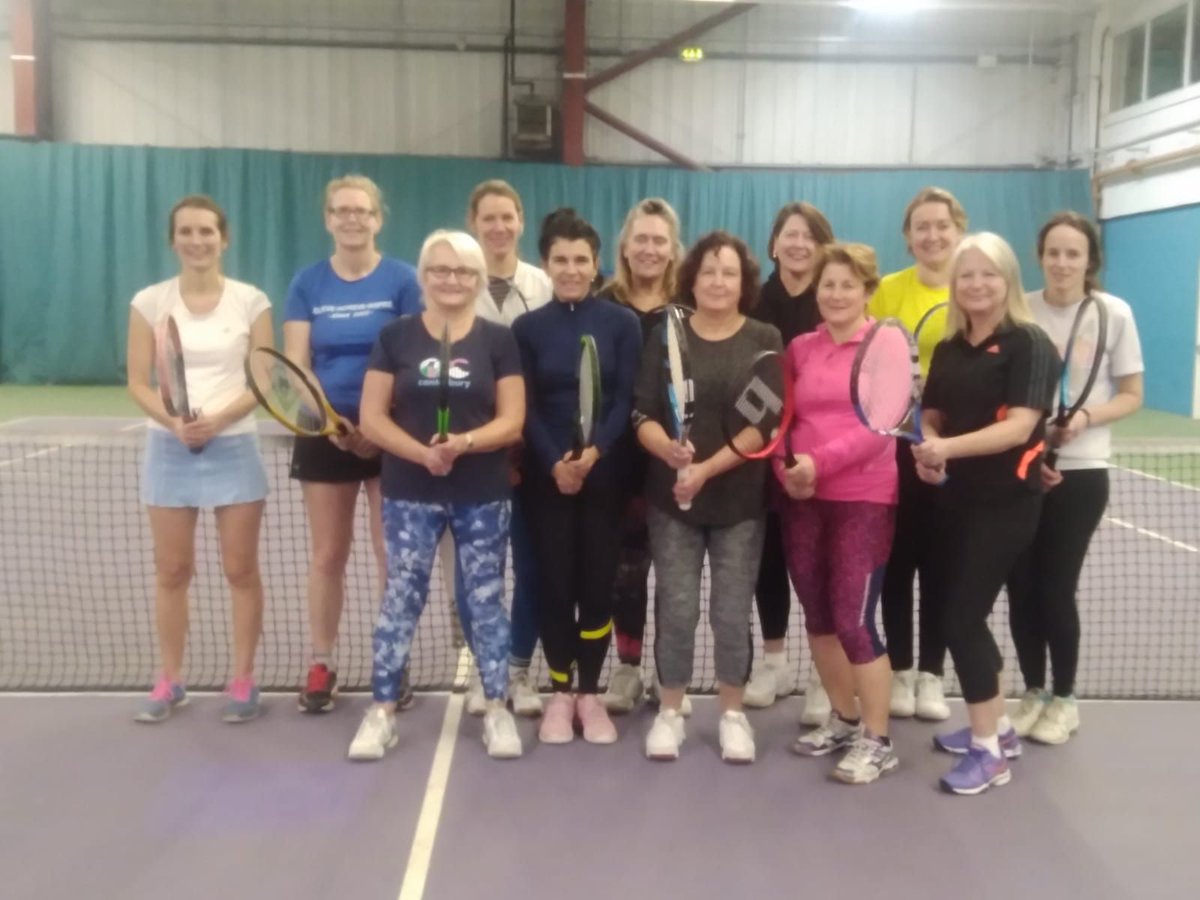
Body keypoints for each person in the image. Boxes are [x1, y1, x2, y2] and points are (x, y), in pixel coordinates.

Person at [348, 230, 525, 761]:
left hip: (482, 492)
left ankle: (497, 708)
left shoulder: (498, 340)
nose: (452, 280)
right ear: (424, 277)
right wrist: (421, 453)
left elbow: (512, 419)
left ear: (478, 279)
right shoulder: (396, 337)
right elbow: (372, 417)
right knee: (401, 598)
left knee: (486, 601)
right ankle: (380, 711)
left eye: (464, 271)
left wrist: (465, 443)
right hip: (409, 491)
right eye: (441, 270)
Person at [915, 232, 1058, 795]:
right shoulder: (950, 346)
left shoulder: (1029, 343)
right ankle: (998, 727)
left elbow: (1021, 426)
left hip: (1006, 504)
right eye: (966, 275)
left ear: (1008, 282)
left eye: (988, 274)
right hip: (952, 499)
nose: (976, 284)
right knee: (958, 615)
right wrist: (928, 447)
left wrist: (945, 449)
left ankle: (987, 755)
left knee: (960, 620)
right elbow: (932, 412)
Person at [634, 231, 782, 763]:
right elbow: (643, 412)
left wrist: (706, 469)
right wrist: (669, 453)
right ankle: (670, 712)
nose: (718, 282)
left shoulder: (764, 338)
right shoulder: (666, 335)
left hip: (739, 501)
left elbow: (762, 422)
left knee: (730, 609)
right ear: (692, 279)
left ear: (744, 283)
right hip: (672, 499)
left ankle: (732, 715)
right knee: (675, 608)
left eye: (729, 273)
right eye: (709, 272)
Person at [127, 194, 273, 724]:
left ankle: (242, 680)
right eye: (186, 232)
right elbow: (137, 381)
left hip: (234, 445)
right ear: (174, 240)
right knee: (172, 570)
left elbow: (263, 380)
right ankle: (169, 681)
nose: (197, 240)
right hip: (169, 449)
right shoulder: (150, 302)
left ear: (224, 238)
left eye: (206, 231)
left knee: (240, 569)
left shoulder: (251, 301)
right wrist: (173, 422)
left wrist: (217, 420)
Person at [285, 175, 422, 714]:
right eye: (341, 210)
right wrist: (331, 422)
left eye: (361, 210)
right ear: (327, 219)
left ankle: (392, 659)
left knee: (391, 553)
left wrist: (377, 421)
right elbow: (297, 363)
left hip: (390, 427)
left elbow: (413, 356)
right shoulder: (307, 283)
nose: (351, 219)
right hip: (325, 431)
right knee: (327, 554)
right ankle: (322, 661)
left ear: (377, 218)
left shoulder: (403, 279)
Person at [1006, 212, 1143, 745]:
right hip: (1022, 468)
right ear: (1040, 256)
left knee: (1055, 587)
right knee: (1019, 588)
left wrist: (1085, 418)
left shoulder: (1114, 313)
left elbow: (1131, 394)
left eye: (1073, 254)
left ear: (1090, 261)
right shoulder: (1023, 311)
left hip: (1082, 474)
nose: (1062, 263)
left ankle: (1065, 699)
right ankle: (1033, 692)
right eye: (1053, 253)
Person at [512, 209, 641, 745]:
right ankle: (560, 694)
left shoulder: (622, 324)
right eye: (560, 259)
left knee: (596, 587)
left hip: (606, 477)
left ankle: (591, 693)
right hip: (548, 481)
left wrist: (593, 454)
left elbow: (626, 398)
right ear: (546, 265)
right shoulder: (526, 329)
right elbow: (527, 405)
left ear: (596, 266)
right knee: (554, 585)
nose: (570, 268)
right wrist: (554, 463)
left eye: (580, 260)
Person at [780, 243, 899, 784]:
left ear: (867, 290)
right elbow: (781, 417)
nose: (836, 294)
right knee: (820, 616)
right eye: (828, 284)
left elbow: (880, 428)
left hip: (864, 499)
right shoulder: (801, 349)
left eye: (848, 284)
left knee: (854, 619)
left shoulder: (887, 345)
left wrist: (816, 464)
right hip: (802, 499)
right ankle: (846, 719)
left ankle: (878, 740)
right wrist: (784, 469)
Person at [454, 179, 553, 718]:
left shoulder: (542, 284)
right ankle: (485, 666)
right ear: (474, 222)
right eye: (487, 217)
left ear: (520, 221)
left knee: (531, 566)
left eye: (507, 217)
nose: (498, 227)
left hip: (535, 451)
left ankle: (517, 667)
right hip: (473, 456)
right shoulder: (454, 285)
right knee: (472, 572)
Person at [869, 186, 967, 721]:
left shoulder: (973, 288)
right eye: (921, 226)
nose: (932, 235)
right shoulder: (887, 292)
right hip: (897, 451)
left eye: (941, 225)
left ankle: (933, 674)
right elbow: (873, 366)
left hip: (956, 452)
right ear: (908, 238)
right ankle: (901, 672)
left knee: (942, 567)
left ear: (958, 230)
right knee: (897, 564)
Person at [744, 201, 836, 723]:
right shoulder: (753, 302)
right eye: (789, 235)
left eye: (809, 236)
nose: (799, 244)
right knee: (769, 560)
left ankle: (825, 677)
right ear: (774, 244)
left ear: (822, 247)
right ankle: (775, 663)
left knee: (820, 565)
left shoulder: (835, 304)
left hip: (820, 457)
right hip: (761, 457)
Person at [596, 197, 687, 716]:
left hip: (674, 463)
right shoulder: (601, 303)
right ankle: (628, 670)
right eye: (641, 239)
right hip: (617, 466)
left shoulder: (690, 308)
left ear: (673, 249)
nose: (650, 249)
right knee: (625, 574)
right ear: (625, 246)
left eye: (660, 240)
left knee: (675, 577)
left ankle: (668, 675)